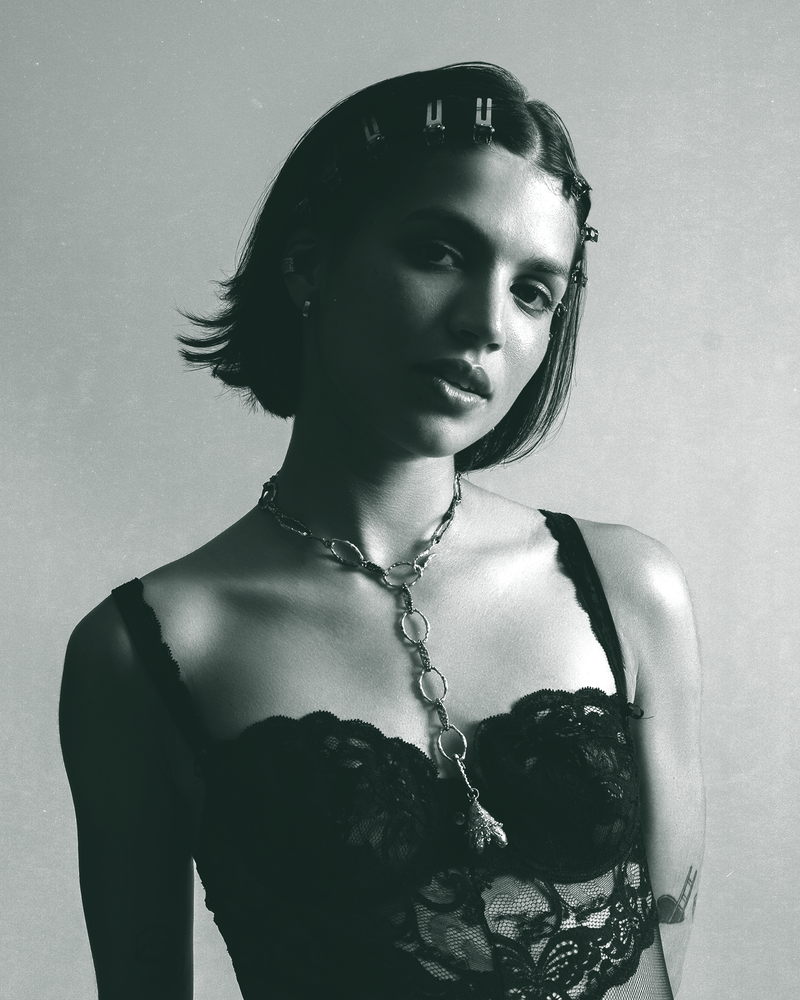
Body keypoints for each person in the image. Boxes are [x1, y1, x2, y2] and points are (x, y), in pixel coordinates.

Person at [60, 62, 705, 999]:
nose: (485, 324)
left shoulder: (630, 589)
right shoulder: (145, 649)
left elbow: (666, 962)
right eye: (439, 252)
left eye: (533, 292)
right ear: (308, 261)